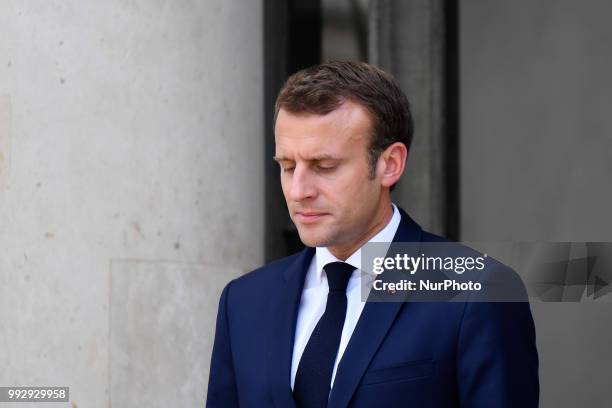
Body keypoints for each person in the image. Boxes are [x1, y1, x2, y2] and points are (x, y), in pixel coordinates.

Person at [206, 61, 539, 407]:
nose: (298, 190)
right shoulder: (243, 302)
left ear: (390, 164)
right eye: (288, 167)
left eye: (324, 166)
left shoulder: (478, 294)